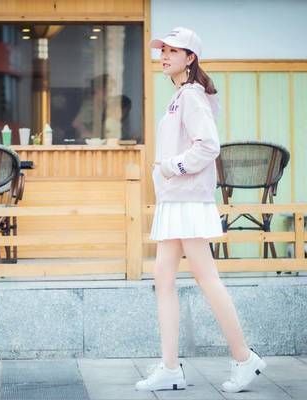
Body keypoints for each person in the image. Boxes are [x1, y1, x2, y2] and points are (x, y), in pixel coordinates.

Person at [135, 27, 267, 393]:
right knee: (164, 278)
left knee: (206, 278)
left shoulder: (191, 95)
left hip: (187, 199)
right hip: (177, 199)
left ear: (190, 58)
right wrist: (168, 172)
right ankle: (170, 366)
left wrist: (170, 167)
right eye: (163, 50)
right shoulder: (182, 95)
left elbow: (208, 146)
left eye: (173, 51)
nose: (164, 56)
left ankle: (244, 358)